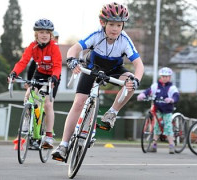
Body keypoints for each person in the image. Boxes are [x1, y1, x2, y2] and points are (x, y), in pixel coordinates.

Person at [51, 2, 144, 161]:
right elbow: (74, 49)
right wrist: (72, 60)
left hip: (114, 69)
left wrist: (136, 80)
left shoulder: (125, 40)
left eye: (119, 25)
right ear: (103, 23)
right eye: (112, 24)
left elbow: (139, 65)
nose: (115, 29)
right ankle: (63, 145)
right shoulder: (96, 34)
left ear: (123, 26)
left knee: (130, 83)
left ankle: (112, 113)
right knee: (79, 102)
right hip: (92, 68)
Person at [8, 18, 62, 149]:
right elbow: (23, 61)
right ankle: (27, 121)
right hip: (40, 72)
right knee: (28, 95)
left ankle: (48, 136)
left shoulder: (54, 47)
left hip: (53, 76)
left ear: (51, 35)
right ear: (36, 34)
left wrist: (54, 77)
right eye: (41, 32)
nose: (44, 35)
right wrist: (14, 73)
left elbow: (58, 64)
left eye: (47, 33)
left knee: (48, 104)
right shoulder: (32, 46)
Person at [137, 67, 180, 154]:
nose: (164, 78)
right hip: (158, 110)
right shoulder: (155, 86)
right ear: (160, 77)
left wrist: (171, 99)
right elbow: (148, 91)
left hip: (167, 110)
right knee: (156, 127)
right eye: (163, 76)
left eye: (166, 76)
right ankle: (154, 145)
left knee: (168, 127)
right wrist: (142, 94)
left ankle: (171, 145)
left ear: (169, 77)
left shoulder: (172, 87)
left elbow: (176, 96)